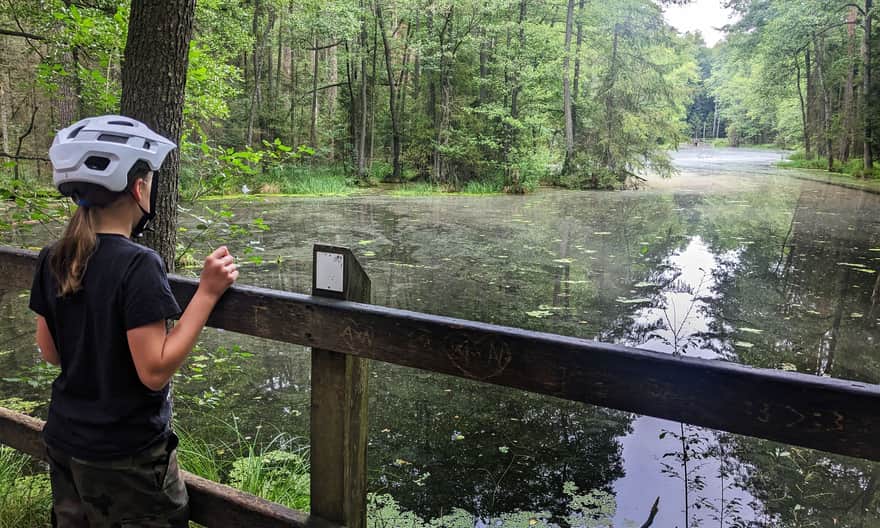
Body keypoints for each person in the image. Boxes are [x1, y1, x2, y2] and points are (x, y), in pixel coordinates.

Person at [28, 115, 238, 527]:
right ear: (139, 187)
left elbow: (50, 353)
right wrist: (207, 293)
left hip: (65, 441)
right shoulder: (138, 264)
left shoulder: (53, 257)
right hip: (125, 458)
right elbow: (154, 370)